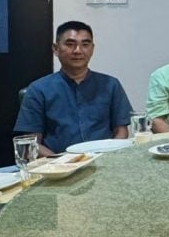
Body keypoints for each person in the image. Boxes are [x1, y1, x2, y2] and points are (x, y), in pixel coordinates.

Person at [14, 21, 132, 157]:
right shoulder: (38, 89)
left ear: (92, 49)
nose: (78, 50)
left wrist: (106, 157)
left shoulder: (111, 85)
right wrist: (61, 162)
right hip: (57, 163)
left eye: (85, 44)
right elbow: (32, 142)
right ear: (56, 49)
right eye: (70, 44)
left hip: (104, 160)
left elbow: (121, 131)